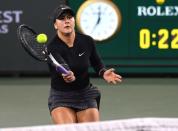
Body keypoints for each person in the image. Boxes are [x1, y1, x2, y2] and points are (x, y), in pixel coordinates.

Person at [47, 4, 122, 124]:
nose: (67, 21)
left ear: (74, 21)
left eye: (69, 17)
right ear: (55, 25)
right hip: (61, 97)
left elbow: (96, 62)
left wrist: (103, 72)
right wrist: (67, 74)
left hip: (85, 94)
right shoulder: (51, 47)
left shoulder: (87, 41)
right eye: (62, 18)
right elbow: (60, 64)